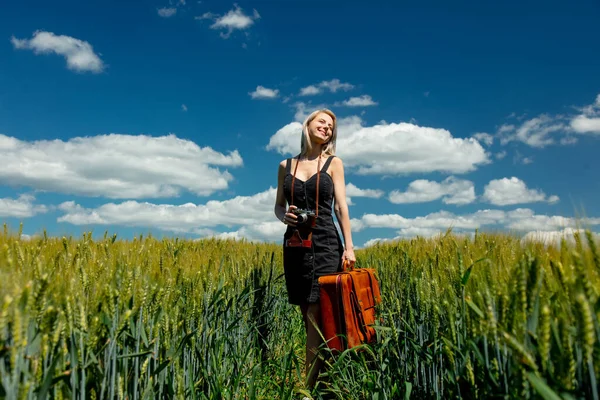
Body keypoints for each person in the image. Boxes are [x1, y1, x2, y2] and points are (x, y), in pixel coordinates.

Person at [274, 108, 356, 390]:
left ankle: (308, 389)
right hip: (295, 243)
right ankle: (327, 383)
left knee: (316, 311)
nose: (327, 128)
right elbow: (278, 206)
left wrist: (349, 248)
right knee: (307, 315)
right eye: (322, 122)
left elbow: (340, 207)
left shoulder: (334, 163)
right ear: (307, 124)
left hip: (325, 242)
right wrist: (283, 216)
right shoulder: (286, 166)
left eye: (331, 126)